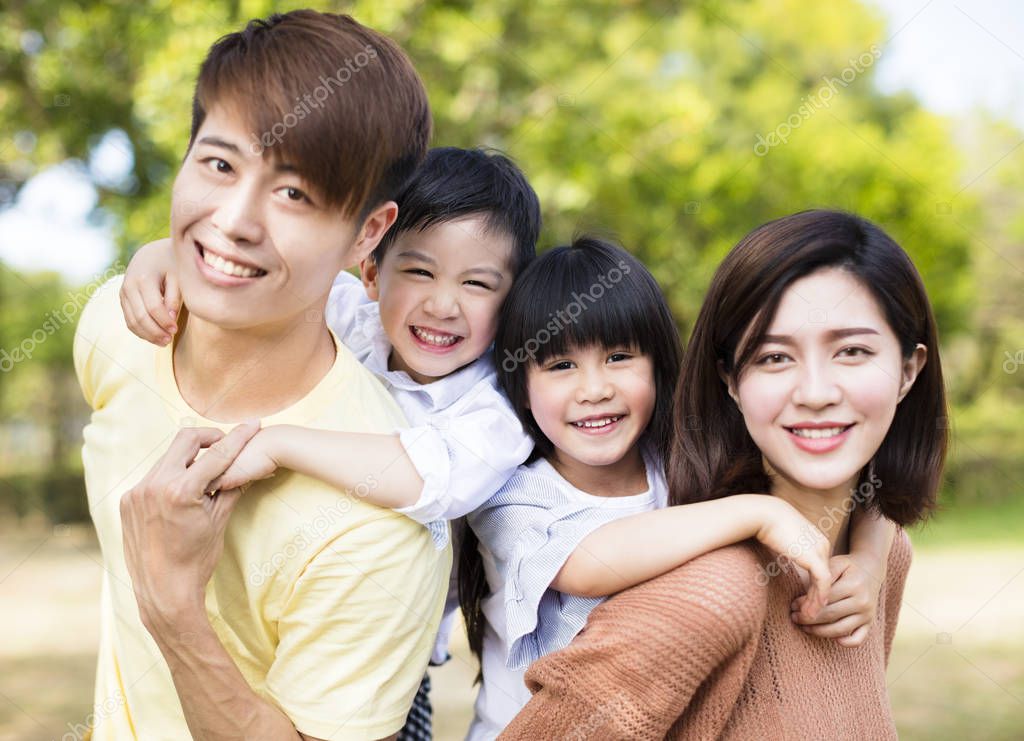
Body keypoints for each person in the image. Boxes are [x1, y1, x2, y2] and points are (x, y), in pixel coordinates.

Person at [73, 11, 451, 740]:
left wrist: (174, 609)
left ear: (369, 233)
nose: (235, 220)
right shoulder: (114, 331)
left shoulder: (380, 520)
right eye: (218, 165)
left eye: (295, 195)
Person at [117, 145, 542, 738]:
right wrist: (155, 258)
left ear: (515, 302)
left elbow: (434, 479)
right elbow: (257, 278)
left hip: (393, 649)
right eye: (418, 271)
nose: (443, 305)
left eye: (477, 284)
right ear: (369, 269)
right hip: (293, 607)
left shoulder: (500, 405)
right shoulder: (348, 313)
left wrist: (281, 442)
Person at [501, 210, 947, 739]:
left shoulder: (878, 560)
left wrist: (872, 557)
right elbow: (587, 562)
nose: (816, 391)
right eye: (775, 357)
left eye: (852, 351)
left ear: (909, 370)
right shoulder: (714, 594)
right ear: (730, 381)